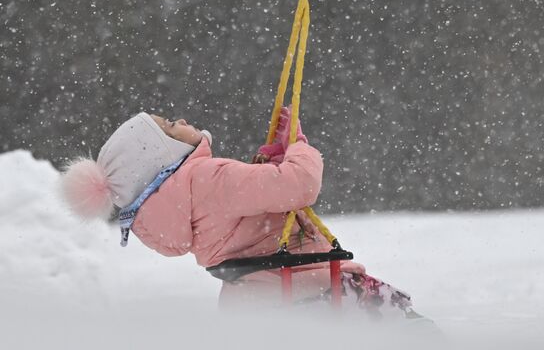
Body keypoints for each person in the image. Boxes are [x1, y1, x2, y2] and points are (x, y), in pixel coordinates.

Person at [60, 108, 418, 317]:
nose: (181, 117)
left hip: (257, 306)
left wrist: (274, 161)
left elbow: (253, 218)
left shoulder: (180, 206)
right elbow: (300, 183)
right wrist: (298, 145)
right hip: (317, 293)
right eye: (170, 124)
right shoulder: (204, 178)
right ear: (163, 155)